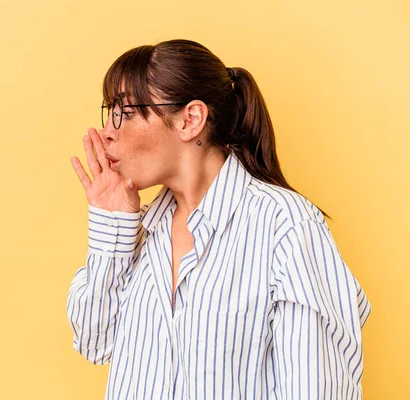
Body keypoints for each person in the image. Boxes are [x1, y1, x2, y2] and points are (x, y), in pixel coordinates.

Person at [67, 39, 371, 399]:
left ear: (190, 120)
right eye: (110, 111)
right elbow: (93, 342)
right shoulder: (140, 231)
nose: (107, 132)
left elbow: (315, 389)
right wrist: (112, 225)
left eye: (127, 113)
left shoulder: (286, 227)